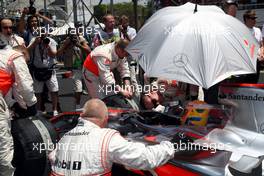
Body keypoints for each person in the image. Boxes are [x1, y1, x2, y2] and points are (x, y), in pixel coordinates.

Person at [49, 99, 175, 176]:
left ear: (82, 115)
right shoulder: (106, 138)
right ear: (105, 119)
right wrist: (171, 146)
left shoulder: (65, 138)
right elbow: (145, 158)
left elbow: (52, 157)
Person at [0, 38, 37, 176]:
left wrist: (13, 104)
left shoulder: (3, 61)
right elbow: (26, 87)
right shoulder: (15, 56)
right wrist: (31, 105)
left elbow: (4, 89)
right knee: (4, 148)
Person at [57, 25, 91, 109]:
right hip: (75, 69)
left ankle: (91, 106)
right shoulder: (66, 42)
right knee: (78, 88)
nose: (73, 37)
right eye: (71, 35)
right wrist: (65, 45)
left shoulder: (81, 40)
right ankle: (77, 106)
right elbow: (58, 54)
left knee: (91, 89)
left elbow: (89, 50)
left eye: (74, 34)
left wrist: (78, 44)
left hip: (85, 67)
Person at [27, 32, 59, 115]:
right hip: (37, 69)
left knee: (54, 90)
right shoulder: (34, 40)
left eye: (44, 32)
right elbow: (27, 50)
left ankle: (55, 110)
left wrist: (47, 47)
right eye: (41, 32)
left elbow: (53, 55)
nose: (43, 35)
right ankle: (38, 110)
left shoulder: (50, 41)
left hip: (49, 70)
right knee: (38, 92)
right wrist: (35, 43)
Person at [242, 10, 264, 83]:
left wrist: (262, 53)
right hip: (246, 63)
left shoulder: (257, 30)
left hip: (257, 62)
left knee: (254, 83)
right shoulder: (241, 30)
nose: (255, 20)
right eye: (253, 18)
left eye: (255, 18)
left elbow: (261, 45)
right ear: (247, 19)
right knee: (245, 84)